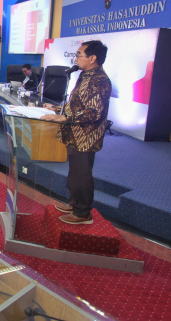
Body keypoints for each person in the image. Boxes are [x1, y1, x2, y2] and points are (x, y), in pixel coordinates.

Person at [41, 40, 111, 225]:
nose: (76, 58)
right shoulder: (85, 75)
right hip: (74, 133)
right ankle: (74, 202)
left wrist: (64, 118)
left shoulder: (99, 80)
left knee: (82, 174)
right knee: (75, 173)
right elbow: (79, 105)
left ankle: (82, 213)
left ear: (92, 58)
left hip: (85, 136)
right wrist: (58, 110)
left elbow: (94, 112)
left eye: (79, 54)